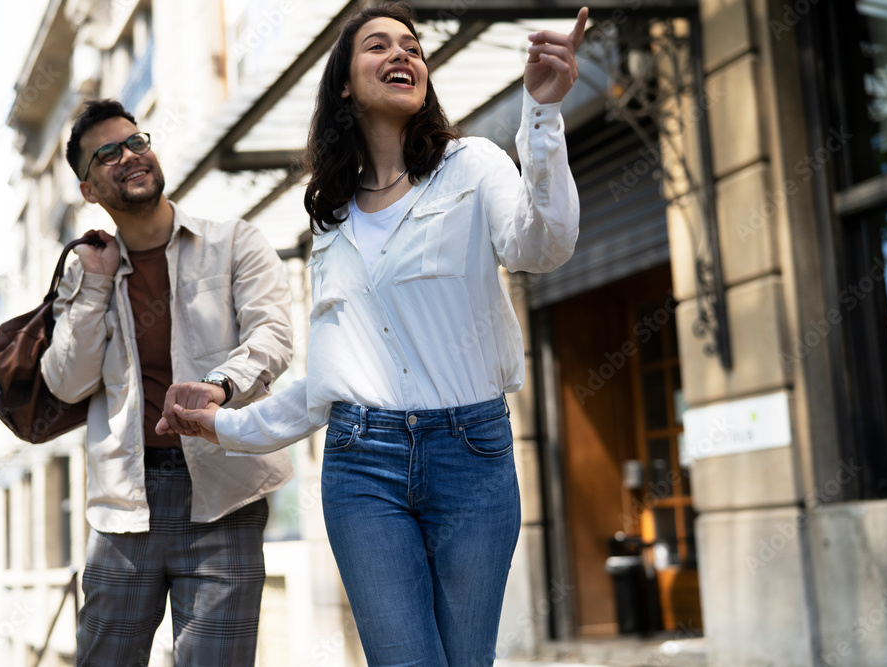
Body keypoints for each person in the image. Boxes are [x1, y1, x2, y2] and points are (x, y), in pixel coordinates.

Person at [158, 2, 585, 664]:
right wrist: (224, 425)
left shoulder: (471, 165)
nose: (402, 54)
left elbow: (544, 245)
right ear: (345, 87)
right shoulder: (330, 222)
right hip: (363, 462)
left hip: (472, 454)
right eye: (379, 45)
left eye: (412, 46)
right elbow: (327, 379)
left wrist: (543, 114)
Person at [42, 98, 294, 666]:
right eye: (106, 154)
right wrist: (97, 287)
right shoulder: (84, 271)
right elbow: (66, 382)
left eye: (136, 142)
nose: (129, 156)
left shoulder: (233, 242)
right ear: (88, 189)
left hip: (225, 490)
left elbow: (274, 336)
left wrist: (218, 386)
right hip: (124, 504)